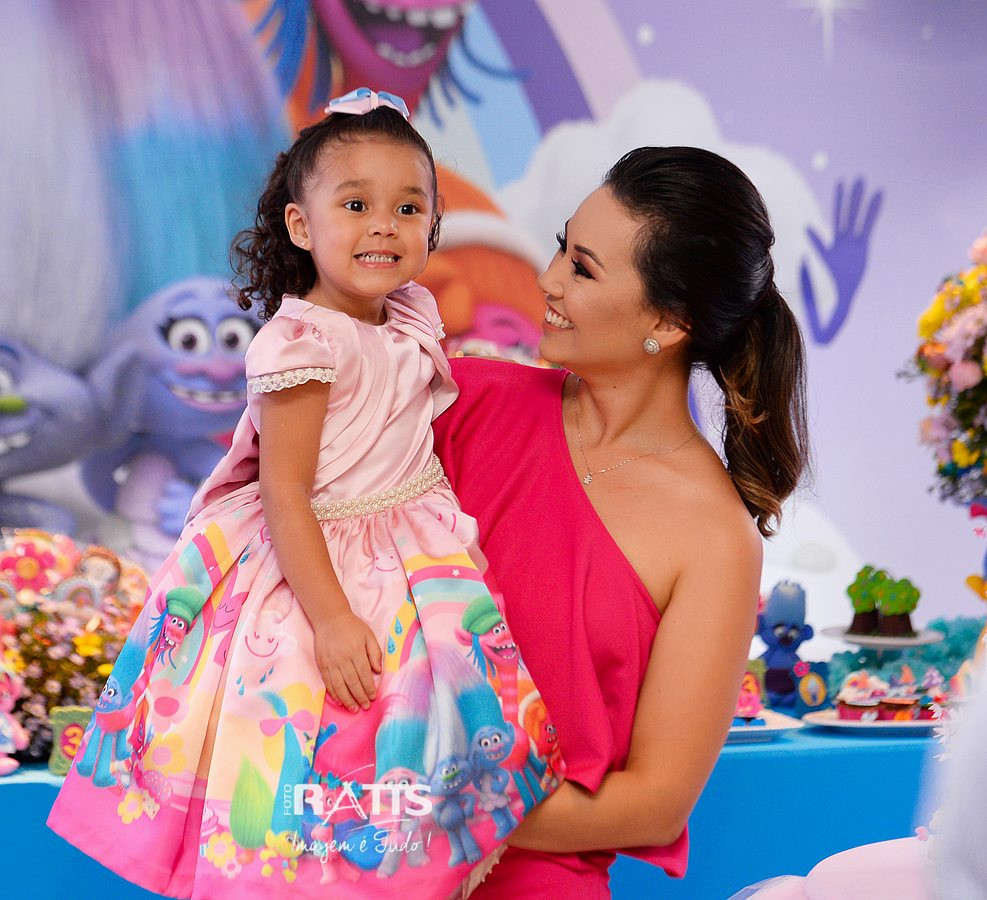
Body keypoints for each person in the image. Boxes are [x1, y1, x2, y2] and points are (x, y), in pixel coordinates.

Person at [48, 88, 563, 899]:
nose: (383, 226)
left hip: (413, 557)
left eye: (407, 208)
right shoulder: (301, 342)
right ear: (300, 224)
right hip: (319, 562)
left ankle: (399, 862)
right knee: (311, 735)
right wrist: (329, 618)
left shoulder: (406, 316)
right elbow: (284, 490)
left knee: (416, 735)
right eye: (355, 205)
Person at [435, 146, 809, 897]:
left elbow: (654, 803)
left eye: (582, 269)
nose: (548, 280)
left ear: (669, 321)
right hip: (350, 869)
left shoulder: (714, 537)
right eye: (560, 248)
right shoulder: (460, 401)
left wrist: (436, 811)